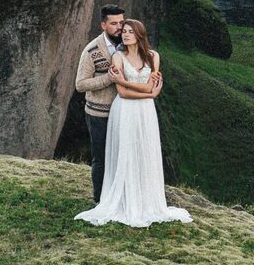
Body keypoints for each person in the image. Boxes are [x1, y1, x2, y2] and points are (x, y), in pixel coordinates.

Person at [74, 19, 192, 227]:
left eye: (130, 31)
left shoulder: (153, 57)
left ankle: (146, 199)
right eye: (124, 32)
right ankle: (125, 198)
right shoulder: (118, 57)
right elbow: (126, 92)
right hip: (125, 110)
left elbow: (146, 88)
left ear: (139, 34)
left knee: (145, 150)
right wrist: (145, 91)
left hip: (145, 112)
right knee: (126, 151)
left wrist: (126, 82)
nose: (126, 35)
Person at [74, 4, 130, 203]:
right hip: (100, 114)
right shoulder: (91, 51)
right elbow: (80, 85)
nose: (119, 27)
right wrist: (108, 79)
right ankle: (99, 200)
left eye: (121, 22)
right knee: (101, 158)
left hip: (125, 111)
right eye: (113, 23)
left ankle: (120, 197)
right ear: (103, 25)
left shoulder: (129, 45)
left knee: (123, 156)